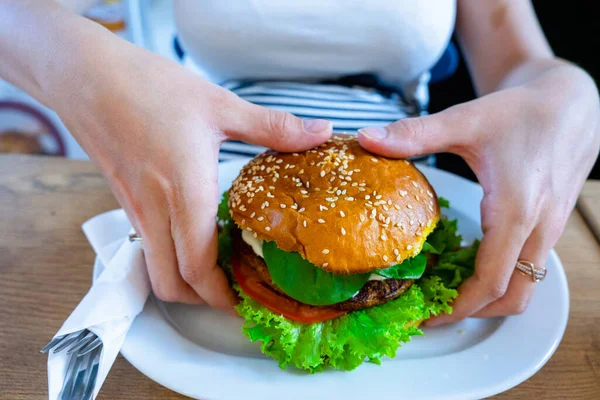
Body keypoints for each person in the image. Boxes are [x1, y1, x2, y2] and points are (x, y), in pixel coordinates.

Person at [1, 0, 598, 325]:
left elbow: (521, 59)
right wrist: (79, 69)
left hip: (401, 178)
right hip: (191, 183)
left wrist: (570, 92)